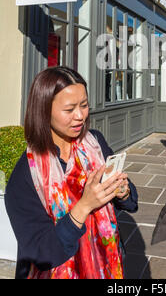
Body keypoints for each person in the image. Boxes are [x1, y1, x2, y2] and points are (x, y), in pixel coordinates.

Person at [5, 66, 138, 279]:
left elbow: (130, 202)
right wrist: (85, 205)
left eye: (84, 105)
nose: (80, 116)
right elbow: (40, 252)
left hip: (107, 266)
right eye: (69, 109)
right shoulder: (26, 175)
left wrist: (123, 191)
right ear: (43, 110)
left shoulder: (95, 143)